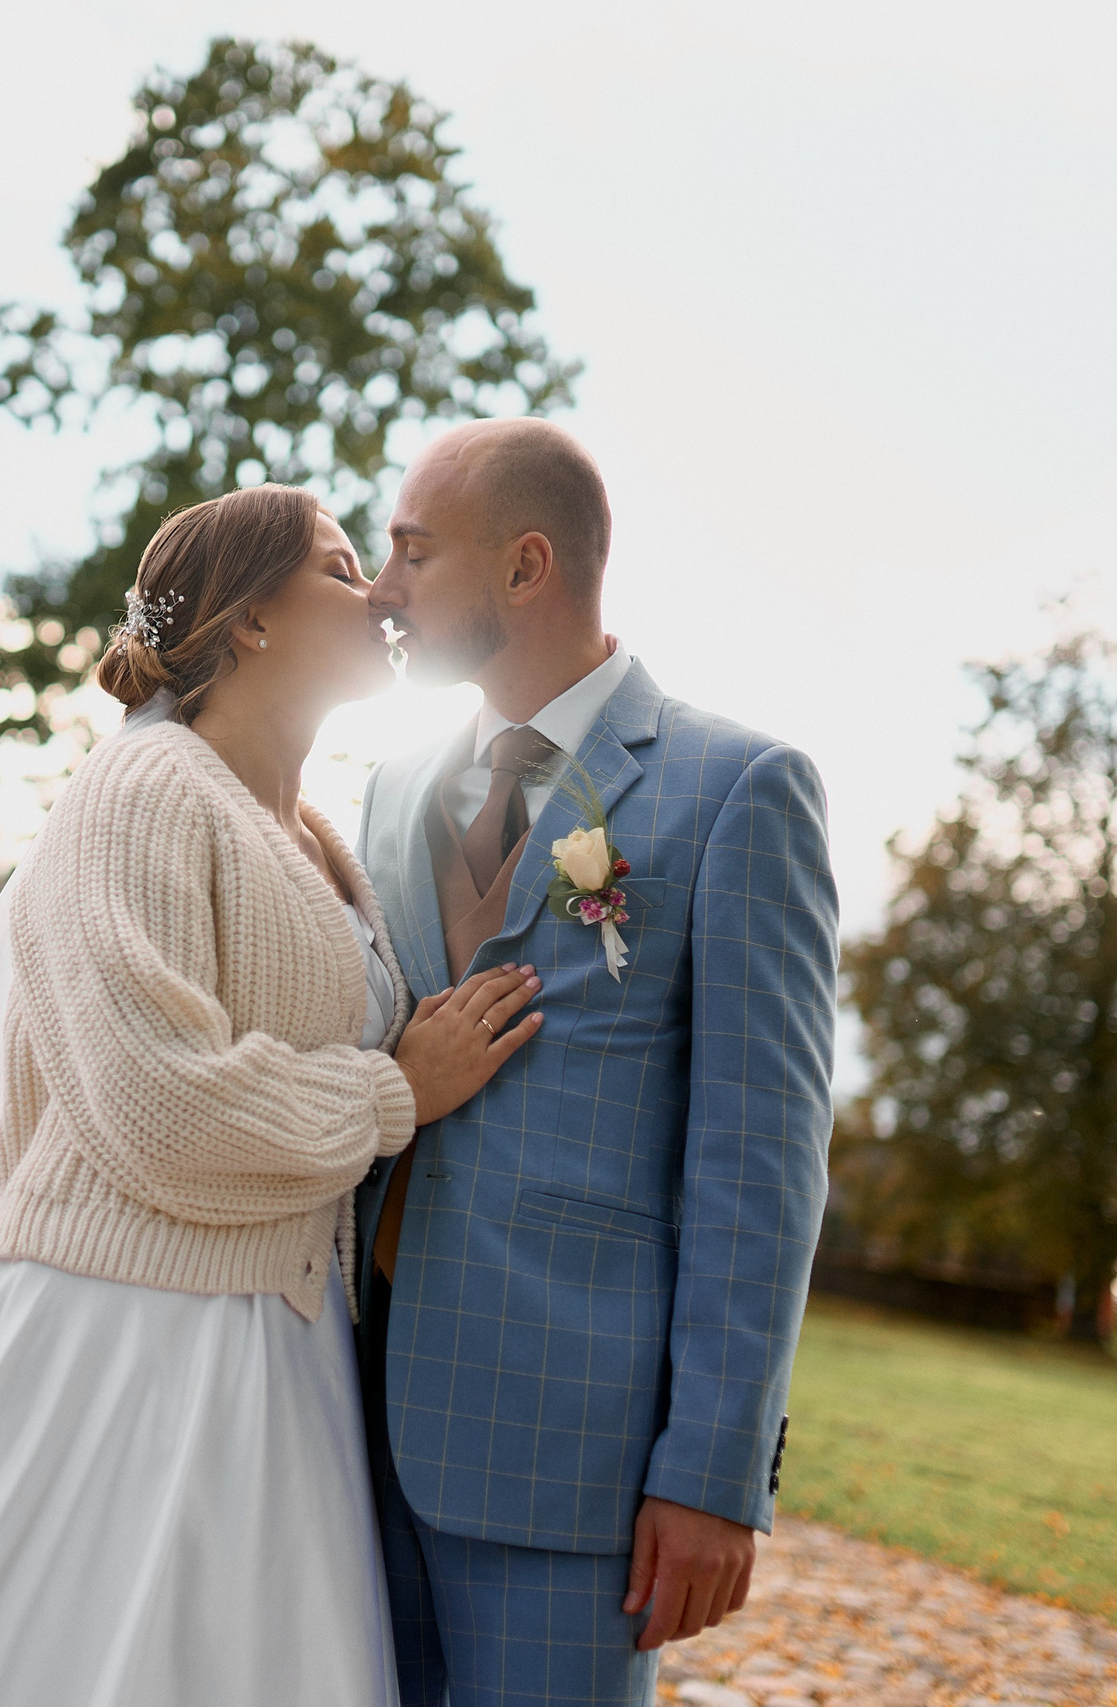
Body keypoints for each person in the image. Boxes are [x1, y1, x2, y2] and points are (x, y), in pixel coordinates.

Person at [0, 484, 545, 1707]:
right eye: (342, 569)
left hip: (280, 1353)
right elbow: (154, 1104)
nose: (381, 592)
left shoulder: (325, 836)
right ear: (252, 621)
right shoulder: (143, 793)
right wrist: (395, 1096)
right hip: (113, 1340)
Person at [354, 419, 841, 1707]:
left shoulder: (738, 789)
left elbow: (762, 1160)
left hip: (566, 1459)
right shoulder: (394, 788)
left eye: (412, 552)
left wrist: (712, 1469)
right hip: (341, 1420)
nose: (381, 589)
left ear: (524, 568)